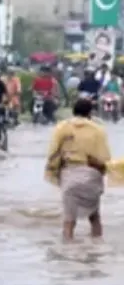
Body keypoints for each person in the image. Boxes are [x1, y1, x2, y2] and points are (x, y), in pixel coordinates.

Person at [45, 96, 111, 243]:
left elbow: (53, 154)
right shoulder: (98, 130)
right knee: (95, 217)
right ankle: (98, 246)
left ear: (73, 111)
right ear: (90, 113)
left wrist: (54, 173)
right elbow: (104, 159)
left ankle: (68, 249)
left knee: (69, 220)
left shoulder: (62, 128)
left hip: (70, 176)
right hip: (91, 176)